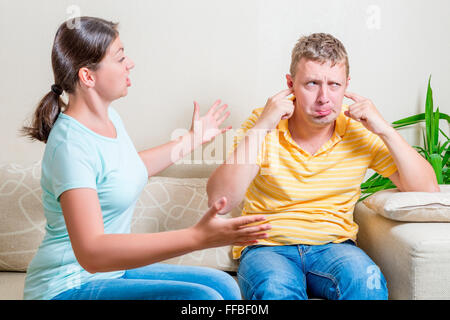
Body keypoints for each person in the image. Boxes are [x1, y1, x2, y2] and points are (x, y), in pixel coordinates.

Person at [20, 16, 271, 300]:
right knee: (203, 299)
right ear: (88, 76)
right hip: (67, 286)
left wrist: (191, 140)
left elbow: (127, 170)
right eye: (120, 57)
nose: (130, 63)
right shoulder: (70, 146)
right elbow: (91, 253)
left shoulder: (108, 118)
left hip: (110, 273)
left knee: (223, 285)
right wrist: (197, 237)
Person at [207, 32, 439, 300]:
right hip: (267, 248)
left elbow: (427, 188)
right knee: (274, 290)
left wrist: (384, 130)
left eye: (334, 85)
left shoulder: (358, 130)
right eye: (312, 83)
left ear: (347, 85)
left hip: (335, 247)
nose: (324, 97)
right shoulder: (263, 122)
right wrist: (262, 127)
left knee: (367, 285)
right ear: (290, 84)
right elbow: (220, 199)